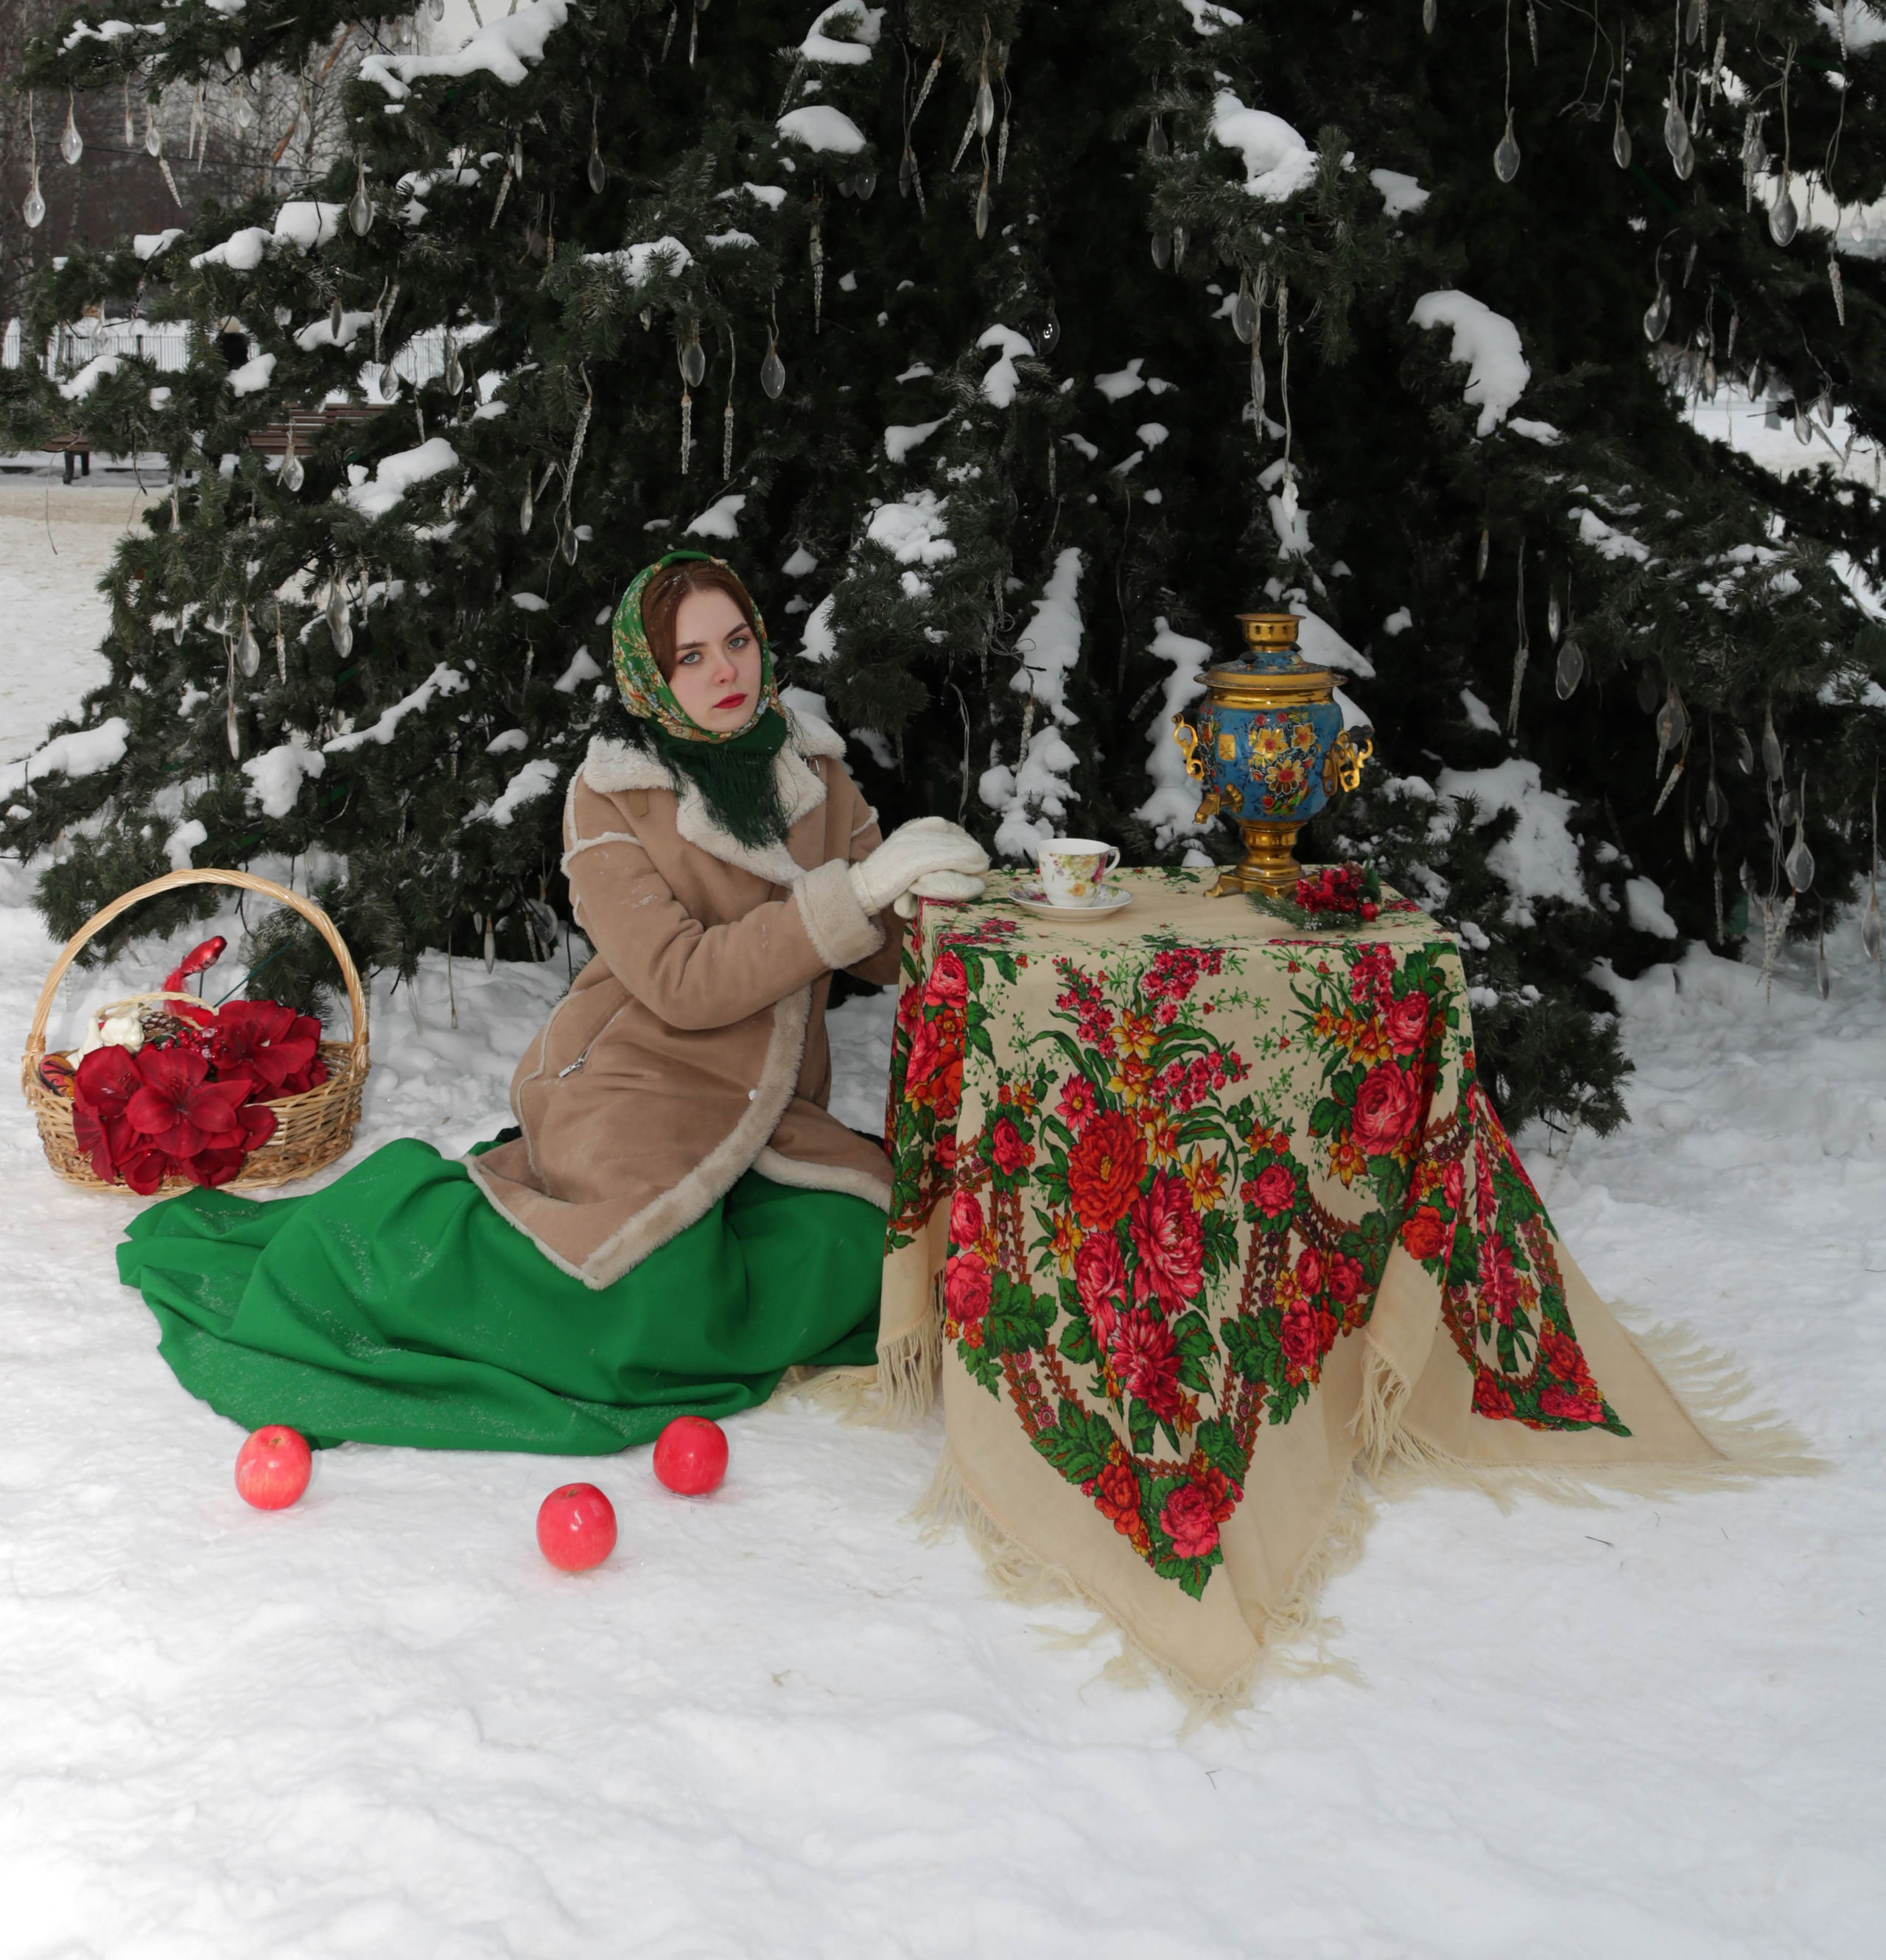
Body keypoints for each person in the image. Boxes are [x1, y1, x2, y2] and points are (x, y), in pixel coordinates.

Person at [116, 552, 988, 1453]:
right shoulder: (611, 794)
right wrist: (856, 891)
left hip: (771, 1110)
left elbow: (879, 952)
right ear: (649, 677)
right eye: (690, 657)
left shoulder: (815, 773)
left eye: (736, 642)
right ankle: (388, 1248)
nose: (726, 672)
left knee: (867, 1244)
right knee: (637, 1294)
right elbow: (681, 983)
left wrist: (924, 896)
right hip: (637, 1086)